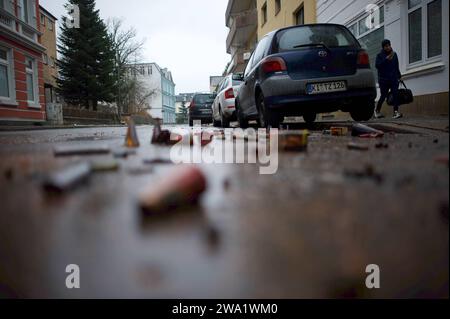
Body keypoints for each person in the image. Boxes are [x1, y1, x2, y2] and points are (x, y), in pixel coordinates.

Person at [374, 39, 403, 119]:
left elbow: (396, 66)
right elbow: (377, 66)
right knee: (383, 96)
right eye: (386, 46)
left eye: (389, 45)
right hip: (383, 80)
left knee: (395, 94)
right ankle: (377, 110)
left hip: (393, 78)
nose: (388, 47)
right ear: (383, 47)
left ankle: (395, 112)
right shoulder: (379, 56)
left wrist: (399, 76)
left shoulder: (394, 54)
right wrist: (386, 60)